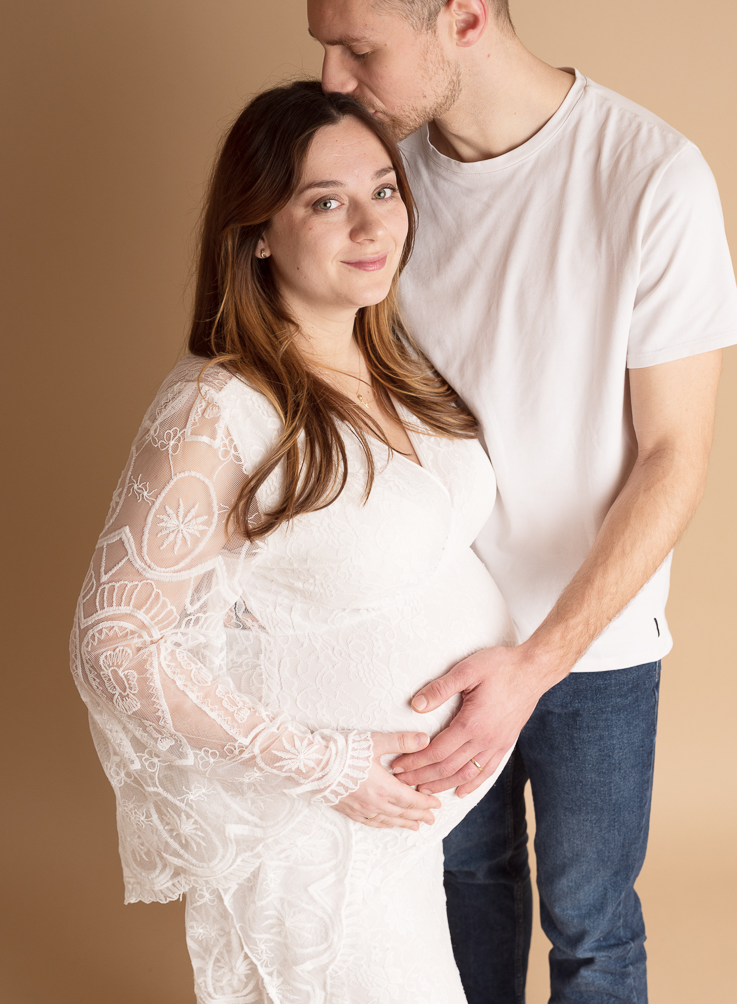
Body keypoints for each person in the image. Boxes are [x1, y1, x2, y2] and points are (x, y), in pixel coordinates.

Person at [284, 0, 737, 1003]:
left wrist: (537, 664)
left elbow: (674, 456)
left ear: (467, 17)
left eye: (358, 48)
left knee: (591, 927)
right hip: (426, 643)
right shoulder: (382, 190)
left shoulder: (652, 178)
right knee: (452, 902)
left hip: (591, 649)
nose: (330, 79)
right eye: (325, 47)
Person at [70, 80, 519, 1004]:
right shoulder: (219, 404)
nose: (370, 224)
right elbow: (112, 642)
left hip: (397, 838)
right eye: (326, 201)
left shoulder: (394, 362)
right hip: (314, 841)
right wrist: (329, 765)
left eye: (383, 190)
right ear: (259, 231)